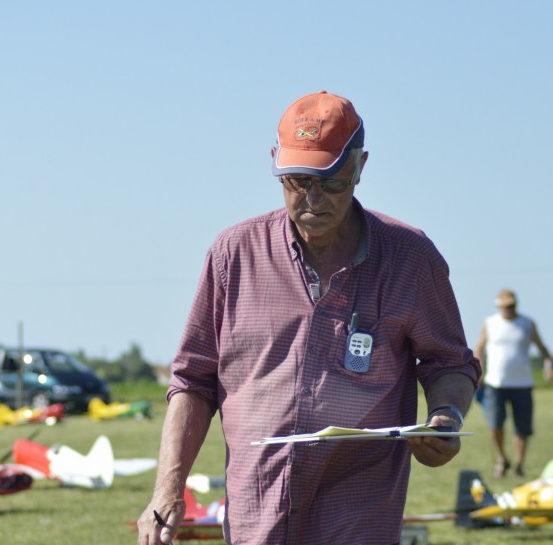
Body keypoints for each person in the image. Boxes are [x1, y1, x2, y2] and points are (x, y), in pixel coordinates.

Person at [137, 91, 481, 545]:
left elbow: (450, 363)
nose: (312, 198)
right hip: (256, 519)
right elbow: (194, 382)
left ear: (360, 167)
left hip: (357, 520)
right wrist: (168, 488)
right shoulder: (233, 255)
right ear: (275, 163)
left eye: (331, 182)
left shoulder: (410, 260)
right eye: (297, 180)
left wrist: (445, 418)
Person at [474, 289, 553, 478]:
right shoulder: (490, 323)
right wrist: (480, 371)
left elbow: (542, 348)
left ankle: (519, 463)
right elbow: (479, 349)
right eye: (506, 306)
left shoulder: (527, 323)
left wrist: (548, 365)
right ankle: (502, 459)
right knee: (495, 424)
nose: (509, 309)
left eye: (512, 306)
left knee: (522, 427)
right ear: (498, 306)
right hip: (495, 383)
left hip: (523, 384)